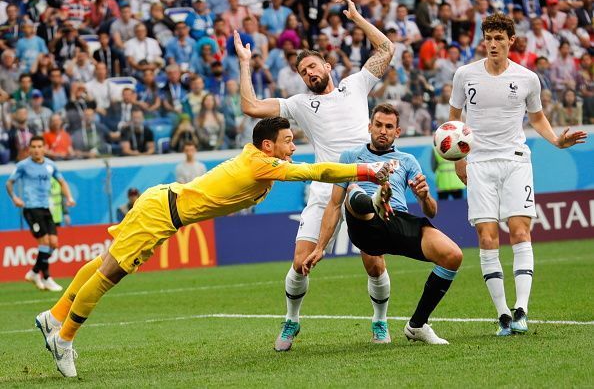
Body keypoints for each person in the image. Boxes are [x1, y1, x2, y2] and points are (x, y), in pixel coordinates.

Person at [34, 117, 393, 378]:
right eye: (287, 141)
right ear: (269, 146)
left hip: (161, 202)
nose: (293, 147)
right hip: (161, 213)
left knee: (105, 261)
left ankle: (54, 315)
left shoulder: (258, 157)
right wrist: (366, 170)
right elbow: (318, 172)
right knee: (110, 273)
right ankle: (63, 340)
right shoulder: (261, 164)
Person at [234, 0, 395, 352]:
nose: (309, 73)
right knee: (299, 262)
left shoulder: (356, 84)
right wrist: (245, 63)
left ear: (328, 67)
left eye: (313, 67)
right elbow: (249, 106)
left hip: (363, 182)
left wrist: (356, 17)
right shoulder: (300, 104)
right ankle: (291, 321)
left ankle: (380, 323)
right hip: (325, 189)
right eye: (303, 71)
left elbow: (386, 48)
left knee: (373, 264)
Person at [449, 13, 587, 336]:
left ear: (511, 41)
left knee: (520, 231)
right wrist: (457, 158)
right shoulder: (464, 75)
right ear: (483, 40)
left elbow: (537, 118)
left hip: (515, 161)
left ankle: (521, 309)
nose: (493, 44)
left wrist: (555, 140)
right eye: (488, 38)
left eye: (499, 38)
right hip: (479, 163)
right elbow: (454, 119)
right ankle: (502, 316)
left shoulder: (527, 78)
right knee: (486, 236)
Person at [303, 103, 463, 344]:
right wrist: (320, 247)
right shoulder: (350, 157)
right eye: (378, 125)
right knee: (353, 190)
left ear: (397, 132)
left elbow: (431, 211)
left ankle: (417, 325)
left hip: (396, 219)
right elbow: (334, 205)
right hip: (364, 222)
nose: (383, 130)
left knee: (453, 256)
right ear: (369, 127)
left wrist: (424, 196)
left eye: (389, 127)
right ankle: (376, 200)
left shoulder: (407, 160)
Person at [5, 136, 75, 292]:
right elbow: (9, 182)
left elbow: (62, 181)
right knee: (44, 242)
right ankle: (46, 277)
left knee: (54, 244)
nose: (36, 150)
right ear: (29, 149)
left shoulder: (50, 165)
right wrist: (15, 198)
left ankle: (36, 272)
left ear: (44, 148)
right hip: (31, 208)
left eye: (39, 146)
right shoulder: (23, 166)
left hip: (46, 208)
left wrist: (69, 197)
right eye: (33, 147)